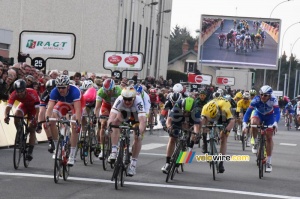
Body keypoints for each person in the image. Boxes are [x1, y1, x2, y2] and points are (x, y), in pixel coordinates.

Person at [107, 86, 146, 176]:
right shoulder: (120, 99)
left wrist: (139, 131)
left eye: (129, 100)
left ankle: (133, 165)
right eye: (125, 99)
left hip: (136, 115)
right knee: (115, 122)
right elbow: (112, 115)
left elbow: (142, 120)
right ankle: (113, 151)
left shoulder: (138, 100)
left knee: (137, 136)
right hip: (124, 113)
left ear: (134, 98)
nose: (127, 101)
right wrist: (109, 126)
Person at [46, 75, 84, 166]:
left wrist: (78, 124)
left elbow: (78, 109)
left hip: (75, 105)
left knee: (74, 126)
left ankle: (72, 155)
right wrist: (47, 119)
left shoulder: (75, 91)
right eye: (59, 88)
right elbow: (50, 107)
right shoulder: (54, 91)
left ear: (68, 86)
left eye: (63, 87)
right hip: (63, 104)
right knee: (52, 121)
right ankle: (57, 148)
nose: (61, 90)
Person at [242, 85, 280, 172]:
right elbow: (248, 112)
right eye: (261, 94)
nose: (263, 97)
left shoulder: (273, 100)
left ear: (270, 95)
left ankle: (269, 161)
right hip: (258, 114)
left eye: (265, 95)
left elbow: (277, 113)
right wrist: (244, 123)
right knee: (253, 123)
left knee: (269, 137)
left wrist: (275, 123)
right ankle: (255, 141)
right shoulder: (256, 99)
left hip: (269, 116)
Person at [161, 96, 200, 173]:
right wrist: (169, 127)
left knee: (197, 127)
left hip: (191, 119)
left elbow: (196, 125)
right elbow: (169, 119)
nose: (186, 114)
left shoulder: (196, 108)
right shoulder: (178, 106)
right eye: (185, 112)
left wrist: (196, 134)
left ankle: (190, 147)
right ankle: (167, 163)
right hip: (178, 117)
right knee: (172, 138)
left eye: (188, 112)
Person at [4, 79, 40, 161]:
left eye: (21, 91)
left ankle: (30, 151)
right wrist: (6, 116)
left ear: (25, 89)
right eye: (18, 91)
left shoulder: (32, 93)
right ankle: (20, 133)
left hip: (34, 109)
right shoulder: (14, 94)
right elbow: (8, 107)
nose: (19, 93)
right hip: (24, 106)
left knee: (32, 129)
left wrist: (35, 119)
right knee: (17, 115)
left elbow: (38, 110)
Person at [201, 97, 235, 173]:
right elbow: (202, 122)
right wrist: (201, 132)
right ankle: (205, 144)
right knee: (205, 127)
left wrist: (226, 130)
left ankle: (221, 162)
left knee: (224, 138)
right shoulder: (205, 108)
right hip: (210, 115)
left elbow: (232, 121)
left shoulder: (225, 108)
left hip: (223, 117)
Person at [94, 78, 122, 159]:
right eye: (106, 91)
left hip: (116, 107)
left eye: (110, 90)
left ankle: (117, 144)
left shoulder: (119, 91)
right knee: (102, 124)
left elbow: (121, 107)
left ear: (114, 88)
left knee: (116, 124)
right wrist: (96, 119)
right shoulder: (100, 92)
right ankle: (102, 150)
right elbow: (97, 107)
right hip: (106, 106)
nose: (108, 93)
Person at [36, 79, 56, 153]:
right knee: (46, 123)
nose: (52, 91)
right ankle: (51, 142)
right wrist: (39, 123)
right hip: (50, 106)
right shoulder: (45, 94)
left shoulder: (61, 92)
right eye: (50, 89)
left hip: (59, 106)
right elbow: (42, 110)